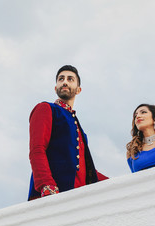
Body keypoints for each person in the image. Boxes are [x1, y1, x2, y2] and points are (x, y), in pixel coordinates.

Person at [28, 65, 108, 200]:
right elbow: (37, 150)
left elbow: (86, 168)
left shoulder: (78, 126)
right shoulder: (46, 108)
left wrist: (113, 183)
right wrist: (46, 185)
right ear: (55, 88)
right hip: (52, 194)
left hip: (79, 198)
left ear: (78, 90)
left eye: (70, 79)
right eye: (61, 79)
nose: (64, 82)